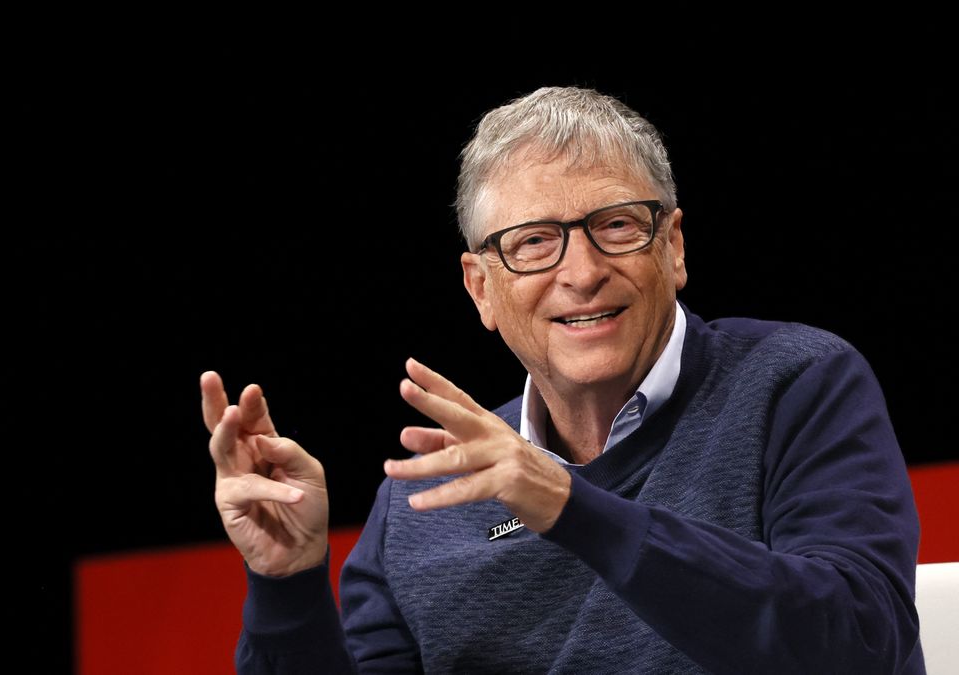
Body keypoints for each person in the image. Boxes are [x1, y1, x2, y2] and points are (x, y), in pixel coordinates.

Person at [201, 87, 924, 673]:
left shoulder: (796, 384)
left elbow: (860, 642)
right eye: (534, 243)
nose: (580, 274)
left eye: (615, 225)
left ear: (672, 246)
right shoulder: (422, 495)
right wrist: (289, 585)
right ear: (481, 287)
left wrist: (569, 505)